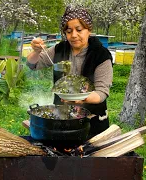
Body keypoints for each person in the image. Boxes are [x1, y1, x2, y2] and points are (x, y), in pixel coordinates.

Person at [26, 6, 113, 137]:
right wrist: (36, 51)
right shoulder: (59, 49)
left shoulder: (101, 55)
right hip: (62, 120)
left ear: (89, 30)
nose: (73, 35)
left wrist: (78, 98)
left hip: (92, 124)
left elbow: (101, 93)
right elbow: (33, 64)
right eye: (68, 31)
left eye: (79, 30)